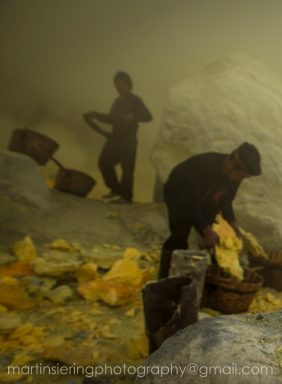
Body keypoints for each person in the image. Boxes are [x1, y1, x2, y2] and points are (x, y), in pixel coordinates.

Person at [158, 142, 262, 279]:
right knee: (180, 233)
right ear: (232, 163)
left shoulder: (234, 175)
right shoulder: (203, 166)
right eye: (242, 175)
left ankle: (214, 276)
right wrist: (205, 230)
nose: (241, 179)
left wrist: (234, 225)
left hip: (205, 198)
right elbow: (190, 202)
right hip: (179, 194)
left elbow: (226, 202)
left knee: (217, 234)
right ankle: (164, 277)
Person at [84, 71, 152, 203]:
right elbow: (113, 119)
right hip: (115, 139)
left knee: (127, 169)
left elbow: (148, 116)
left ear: (128, 84)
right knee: (104, 162)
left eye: (121, 83)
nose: (118, 86)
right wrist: (97, 115)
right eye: (116, 83)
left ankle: (126, 197)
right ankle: (115, 189)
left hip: (128, 140)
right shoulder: (117, 102)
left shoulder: (135, 100)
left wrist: (134, 116)